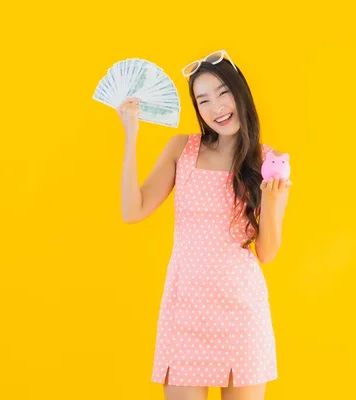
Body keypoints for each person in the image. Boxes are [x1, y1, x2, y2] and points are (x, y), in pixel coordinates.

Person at [118, 50, 291, 400]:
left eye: (223, 92)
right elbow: (132, 210)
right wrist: (131, 135)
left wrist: (271, 201)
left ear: (240, 93)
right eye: (204, 100)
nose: (217, 107)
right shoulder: (181, 148)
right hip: (185, 312)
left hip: (242, 315)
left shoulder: (267, 160)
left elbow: (267, 253)